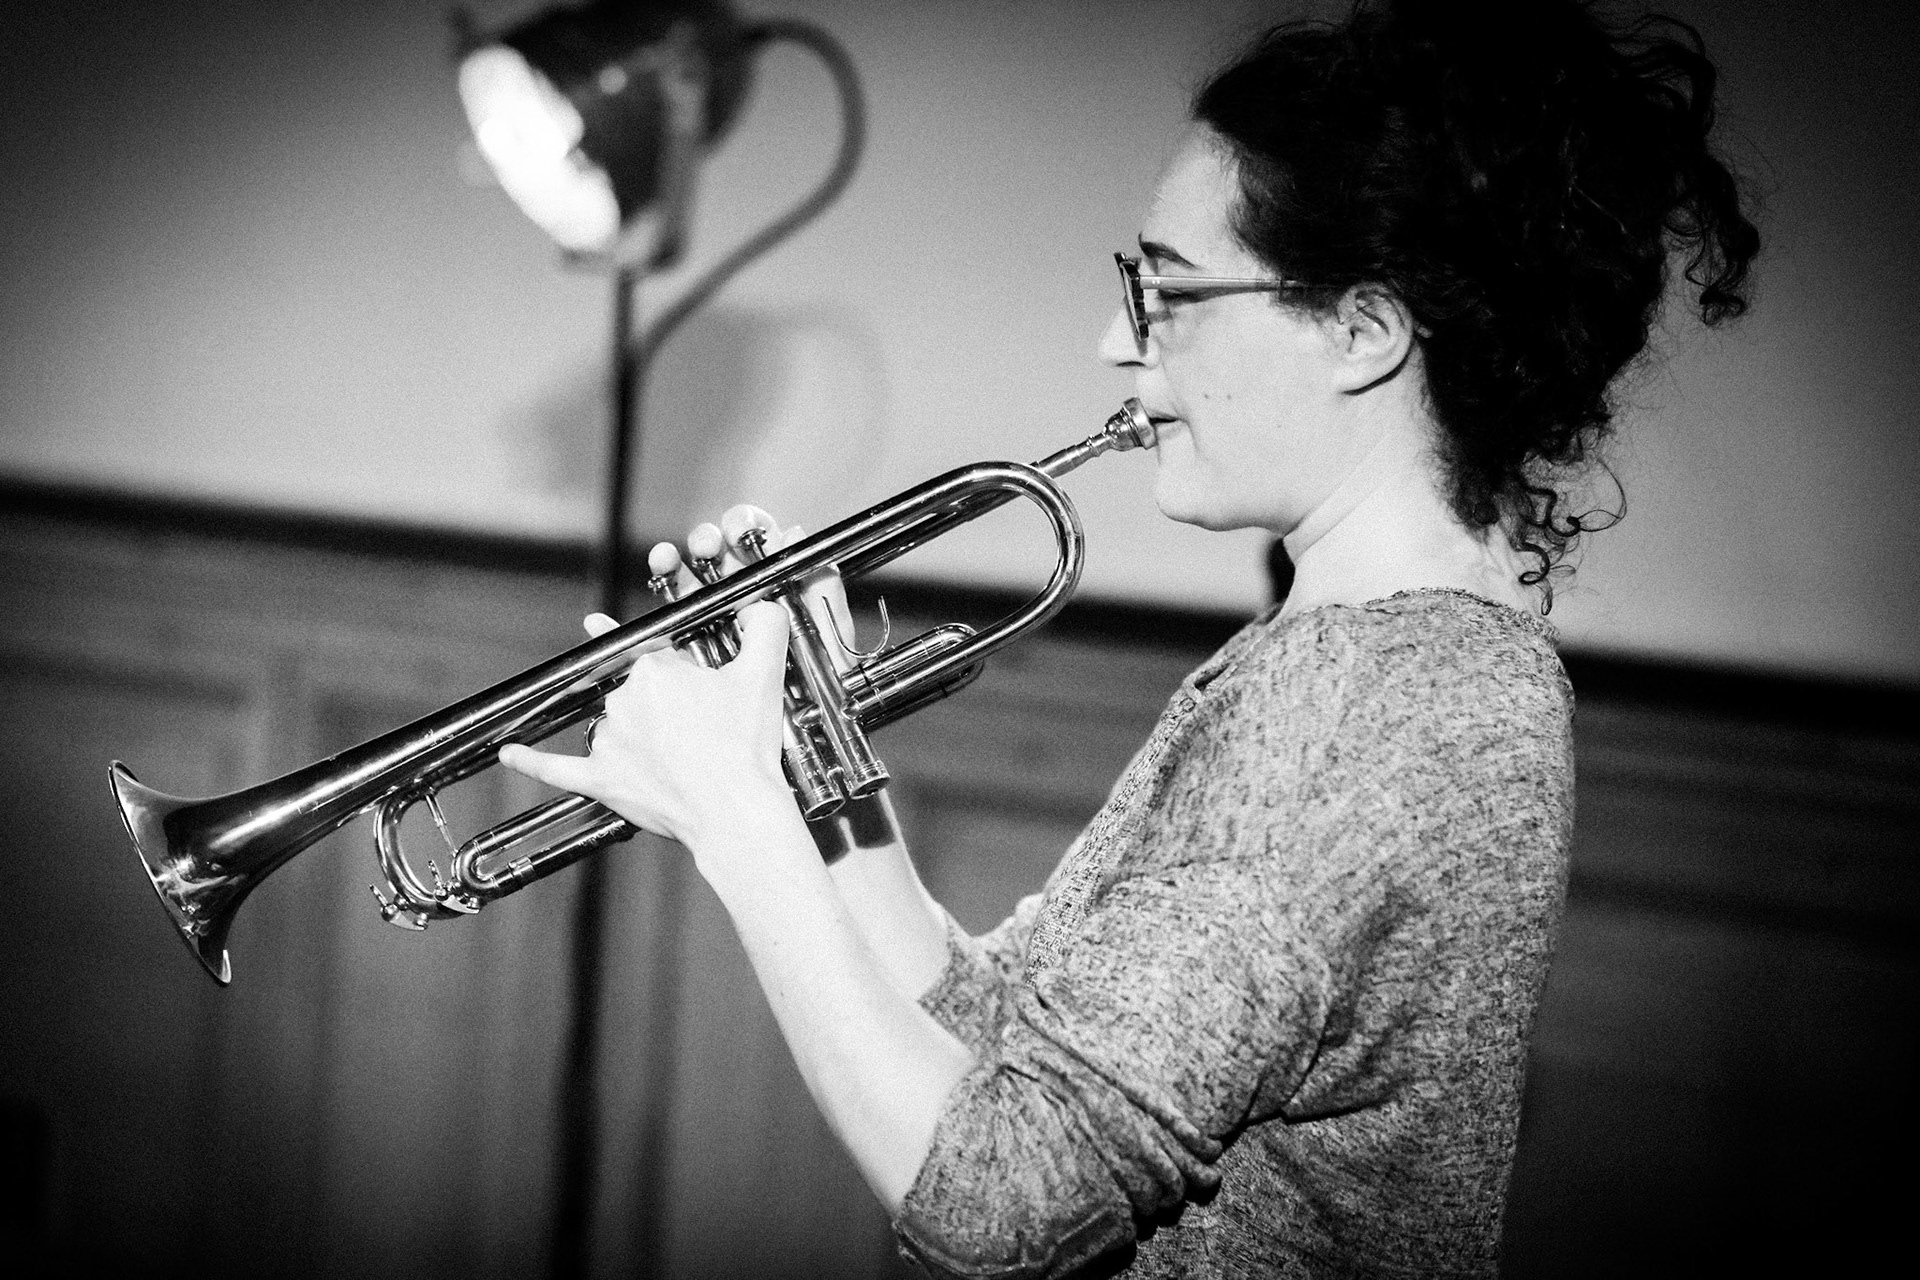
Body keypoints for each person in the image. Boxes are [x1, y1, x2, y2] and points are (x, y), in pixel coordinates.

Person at [501, 0, 1759, 1274]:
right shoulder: (1419, 666)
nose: (1120, 341)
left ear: (1362, 332)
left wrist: (734, 820)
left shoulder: (1350, 712)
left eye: (1166, 290)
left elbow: (995, 1207)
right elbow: (1015, 1053)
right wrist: (812, 761)